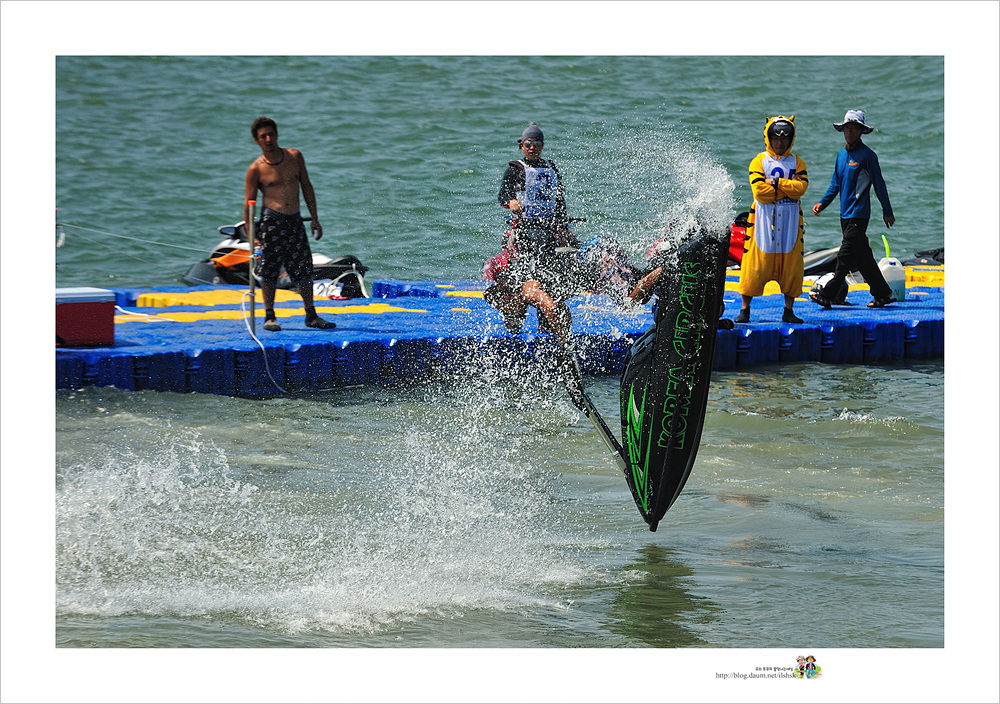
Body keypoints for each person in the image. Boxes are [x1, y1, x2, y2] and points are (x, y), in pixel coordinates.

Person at [488, 122, 586, 408]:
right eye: (528, 144)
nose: (532, 148)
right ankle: (514, 314)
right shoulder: (515, 169)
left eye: (537, 144)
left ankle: (546, 319)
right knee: (524, 276)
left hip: (549, 232)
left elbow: (560, 201)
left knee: (549, 276)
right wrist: (511, 203)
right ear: (521, 145)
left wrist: (564, 228)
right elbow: (502, 196)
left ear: (542, 146)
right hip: (524, 232)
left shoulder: (551, 168)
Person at [244, 116, 335, 331]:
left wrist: (315, 218)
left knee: (303, 268)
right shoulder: (256, 169)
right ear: (257, 140)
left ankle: (311, 315)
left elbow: (306, 186)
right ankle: (270, 316)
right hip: (271, 222)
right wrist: (251, 233)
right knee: (269, 270)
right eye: (263, 136)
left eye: (271, 135)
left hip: (294, 219)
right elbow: (249, 203)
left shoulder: (294, 157)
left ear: (277, 135)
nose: (268, 139)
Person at [811, 109, 897, 309]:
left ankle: (829, 294)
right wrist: (822, 203)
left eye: (853, 128)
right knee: (863, 258)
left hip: (859, 215)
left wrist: (887, 211)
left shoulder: (868, 156)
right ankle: (883, 294)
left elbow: (879, 184)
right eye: (847, 128)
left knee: (844, 256)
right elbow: (835, 184)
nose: (849, 132)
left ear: (861, 131)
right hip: (845, 215)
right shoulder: (841, 155)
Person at [736, 116, 808, 324]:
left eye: (784, 138)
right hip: (762, 222)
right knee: (754, 265)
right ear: (769, 138)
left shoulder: (797, 162)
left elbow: (801, 189)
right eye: (776, 138)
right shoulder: (759, 161)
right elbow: (759, 192)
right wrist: (788, 186)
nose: (780, 143)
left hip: (790, 223)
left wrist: (775, 183)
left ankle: (789, 310)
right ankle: (745, 309)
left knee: (792, 267)